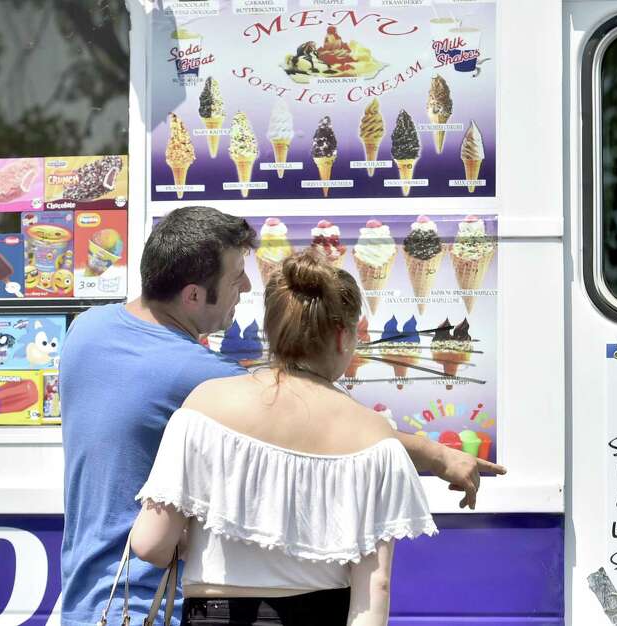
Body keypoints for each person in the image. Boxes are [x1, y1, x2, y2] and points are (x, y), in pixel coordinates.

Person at [60, 206, 505, 626]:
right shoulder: (205, 382)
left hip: (88, 598)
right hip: (151, 604)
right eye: (237, 278)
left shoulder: (86, 330)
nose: (246, 289)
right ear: (193, 294)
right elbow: (313, 419)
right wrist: (435, 453)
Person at [130, 250, 438, 626]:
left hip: (215, 615)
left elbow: (149, 544)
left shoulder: (205, 404)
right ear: (343, 336)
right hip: (321, 613)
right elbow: (376, 586)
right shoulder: (373, 436)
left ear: (272, 328)